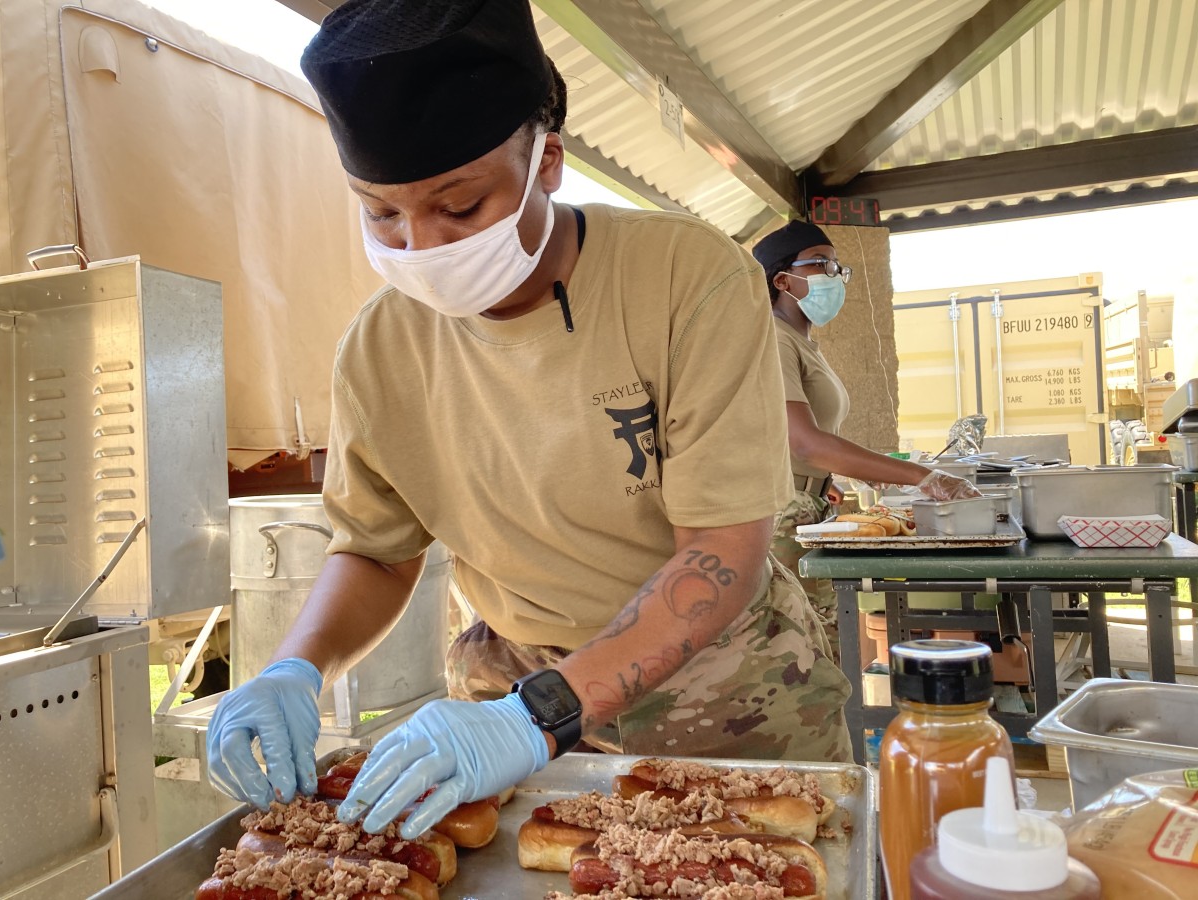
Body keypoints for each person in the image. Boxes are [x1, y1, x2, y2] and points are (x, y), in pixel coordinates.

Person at [206, 0, 851, 841]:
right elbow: (376, 548)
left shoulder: (688, 278)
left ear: (545, 160)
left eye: (460, 206)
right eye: (381, 213)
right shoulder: (379, 347)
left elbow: (723, 548)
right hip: (507, 694)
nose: (421, 243)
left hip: (723, 689)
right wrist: (298, 666)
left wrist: (539, 715)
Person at [752, 220, 981, 660]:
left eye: (838, 267)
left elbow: (793, 442)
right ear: (782, 280)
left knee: (823, 647)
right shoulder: (773, 341)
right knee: (808, 657)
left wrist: (822, 478)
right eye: (821, 264)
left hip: (806, 506)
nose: (834, 276)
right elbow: (805, 443)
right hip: (780, 518)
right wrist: (924, 477)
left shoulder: (801, 344)